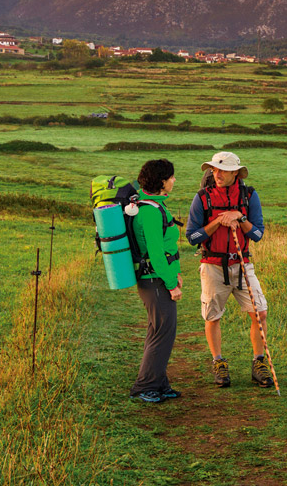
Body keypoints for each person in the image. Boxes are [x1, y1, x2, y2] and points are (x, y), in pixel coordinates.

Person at [185, 151, 273, 388]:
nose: (217, 174)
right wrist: (217, 222)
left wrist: (240, 217)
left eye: (222, 170)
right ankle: (219, 363)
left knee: (260, 312)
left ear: (236, 173)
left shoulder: (249, 196)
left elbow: (257, 233)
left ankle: (258, 362)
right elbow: (192, 237)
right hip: (212, 265)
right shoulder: (202, 198)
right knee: (212, 316)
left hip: (243, 263)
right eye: (214, 170)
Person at [128, 158, 182, 403]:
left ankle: (159, 384)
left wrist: (176, 272)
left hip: (156, 279)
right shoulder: (149, 211)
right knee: (163, 333)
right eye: (171, 177)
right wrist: (171, 284)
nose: (173, 181)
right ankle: (145, 386)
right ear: (162, 181)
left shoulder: (153, 205)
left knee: (158, 331)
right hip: (155, 281)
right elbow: (157, 255)